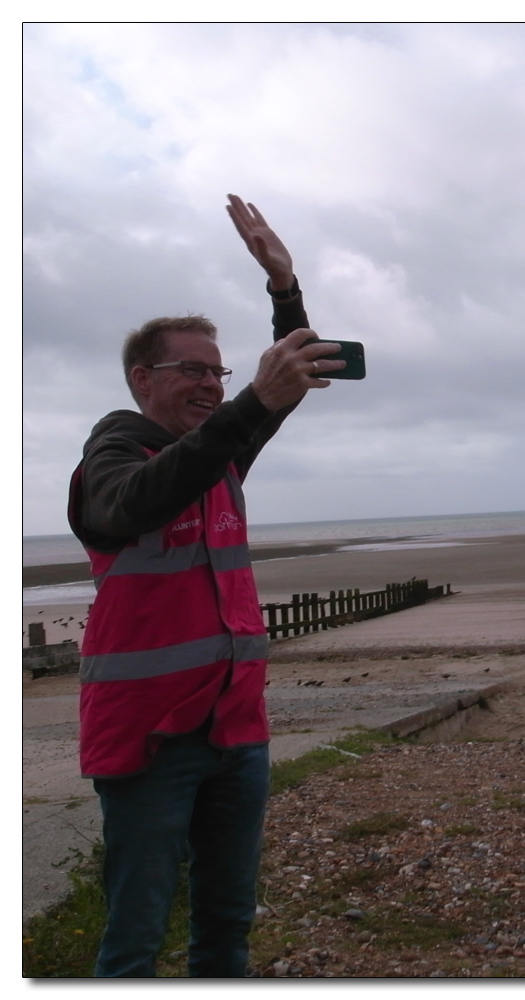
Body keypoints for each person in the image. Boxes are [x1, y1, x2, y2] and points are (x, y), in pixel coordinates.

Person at [67, 195, 346, 978]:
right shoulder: (112, 463)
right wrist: (253, 402)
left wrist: (284, 288)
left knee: (226, 927)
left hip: (235, 732)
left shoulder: (219, 455)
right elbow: (140, 501)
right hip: (151, 743)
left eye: (219, 374)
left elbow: (275, 390)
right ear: (140, 378)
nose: (213, 385)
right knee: (137, 933)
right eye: (193, 370)